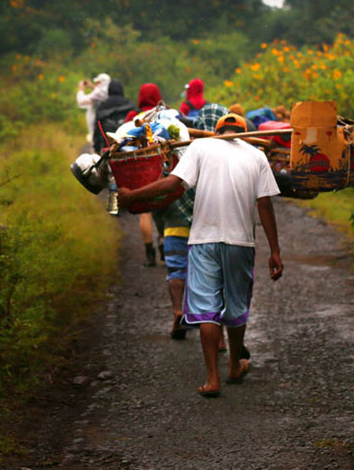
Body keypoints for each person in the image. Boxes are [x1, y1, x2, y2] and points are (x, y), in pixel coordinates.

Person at [117, 113, 283, 398]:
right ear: (243, 132)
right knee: (236, 307)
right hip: (240, 243)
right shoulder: (256, 156)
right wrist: (275, 251)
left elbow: (172, 185)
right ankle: (233, 365)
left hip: (203, 240)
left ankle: (212, 379)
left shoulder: (200, 147)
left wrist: (133, 196)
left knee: (207, 309)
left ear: (216, 131)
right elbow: (265, 205)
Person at [124, 82, 164, 265]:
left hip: (140, 169)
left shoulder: (133, 117)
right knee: (163, 207)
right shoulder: (163, 115)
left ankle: (149, 253)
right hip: (160, 167)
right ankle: (164, 243)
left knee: (145, 213)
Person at [152, 188, 198, 340]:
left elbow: (157, 207)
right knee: (203, 274)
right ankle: (218, 336)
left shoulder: (169, 169)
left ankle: (178, 311)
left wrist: (161, 230)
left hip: (173, 227)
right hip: (200, 230)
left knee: (176, 272)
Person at [92, 78, 134, 153]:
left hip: (107, 148)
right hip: (127, 148)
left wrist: (97, 149)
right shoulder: (129, 104)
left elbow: (97, 130)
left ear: (109, 91)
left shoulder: (102, 106)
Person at [77, 73, 111, 145]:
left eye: (98, 83)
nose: (97, 84)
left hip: (95, 121)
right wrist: (92, 86)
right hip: (106, 122)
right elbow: (101, 92)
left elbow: (81, 101)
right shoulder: (109, 91)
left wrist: (80, 89)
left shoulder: (99, 93)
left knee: (95, 141)